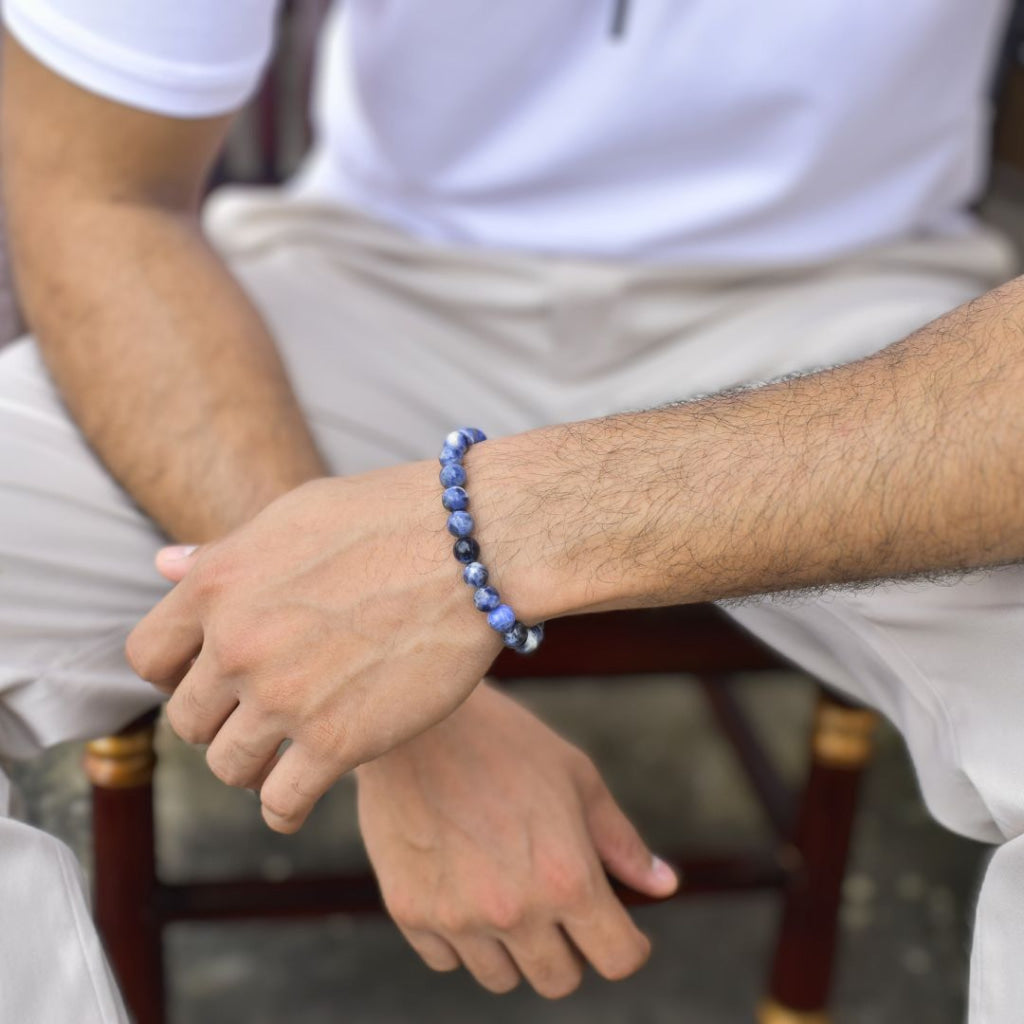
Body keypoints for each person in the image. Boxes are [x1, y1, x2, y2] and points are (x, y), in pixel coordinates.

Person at [0, 2, 1020, 1021]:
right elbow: (98, 193)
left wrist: (476, 547)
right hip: (368, 281)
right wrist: (384, 709)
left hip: (874, 332)